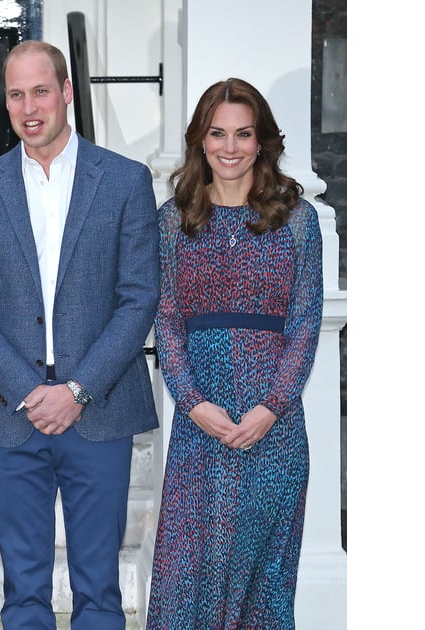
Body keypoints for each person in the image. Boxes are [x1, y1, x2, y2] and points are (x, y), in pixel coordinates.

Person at [0, 40, 160, 629]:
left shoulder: (123, 180)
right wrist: (27, 388)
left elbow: (139, 296)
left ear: (67, 92)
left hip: (100, 408)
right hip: (11, 410)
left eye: (41, 91)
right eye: (16, 95)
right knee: (23, 593)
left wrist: (77, 389)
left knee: (98, 590)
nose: (29, 106)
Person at [146, 78, 323, 629]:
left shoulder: (297, 220)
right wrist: (194, 403)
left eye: (243, 134)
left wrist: (271, 407)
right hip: (201, 426)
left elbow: (305, 323)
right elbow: (167, 322)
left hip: (275, 428)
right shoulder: (173, 221)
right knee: (187, 577)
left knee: (263, 582)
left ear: (262, 141)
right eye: (217, 133)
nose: (229, 147)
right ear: (200, 140)